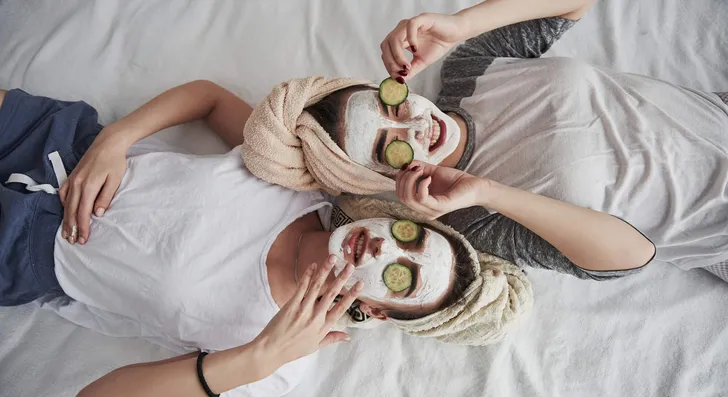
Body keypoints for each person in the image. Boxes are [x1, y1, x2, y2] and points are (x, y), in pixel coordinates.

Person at [0, 85, 550, 397]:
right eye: (412, 238)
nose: (383, 251)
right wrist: (115, 138)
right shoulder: (298, 181)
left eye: (403, 276)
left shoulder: (279, 364)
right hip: (64, 144)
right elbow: (208, 97)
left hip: (27, 253)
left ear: (380, 312)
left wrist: (255, 357)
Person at [240, 0, 728, 282]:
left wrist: (463, 25)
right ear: (380, 177)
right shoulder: (471, 218)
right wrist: (490, 192)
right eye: (389, 146)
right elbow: (632, 256)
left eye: (389, 106)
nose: (413, 125)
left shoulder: (470, 70)